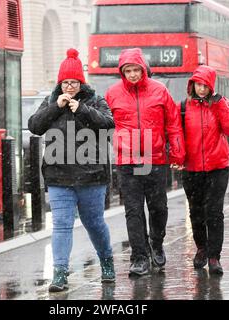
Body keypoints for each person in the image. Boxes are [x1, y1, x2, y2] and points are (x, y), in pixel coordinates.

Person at [28, 48, 115, 292]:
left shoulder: (95, 101)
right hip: (59, 176)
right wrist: (56, 107)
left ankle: (107, 262)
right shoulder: (51, 101)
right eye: (65, 83)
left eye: (74, 83)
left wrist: (82, 110)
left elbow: (108, 125)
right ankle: (60, 273)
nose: (69, 87)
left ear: (81, 83)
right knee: (62, 224)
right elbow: (35, 126)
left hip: (91, 176)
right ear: (60, 83)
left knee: (94, 223)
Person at [105, 48, 185, 276]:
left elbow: (173, 124)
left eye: (135, 70)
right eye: (128, 70)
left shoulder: (160, 91)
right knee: (133, 210)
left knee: (158, 207)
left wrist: (177, 153)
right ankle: (139, 257)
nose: (132, 74)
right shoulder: (112, 94)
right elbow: (104, 124)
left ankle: (156, 243)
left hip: (155, 158)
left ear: (143, 69)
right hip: (127, 161)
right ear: (122, 72)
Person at [181, 65, 229, 275]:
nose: (202, 89)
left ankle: (214, 256)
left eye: (205, 85)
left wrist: (221, 104)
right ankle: (202, 248)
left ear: (211, 86)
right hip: (192, 169)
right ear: (192, 85)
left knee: (214, 213)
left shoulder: (220, 104)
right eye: (198, 84)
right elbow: (178, 135)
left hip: (217, 168)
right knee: (196, 213)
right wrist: (177, 157)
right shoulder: (185, 107)